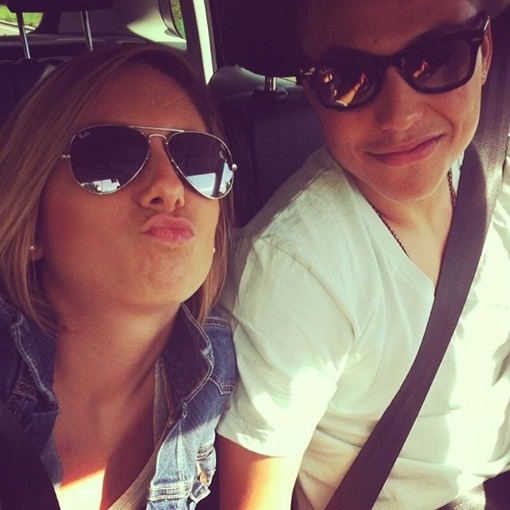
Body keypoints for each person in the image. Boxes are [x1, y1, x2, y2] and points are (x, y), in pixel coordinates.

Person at [216, 0, 510, 508]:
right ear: (311, 90)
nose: (400, 115)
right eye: (346, 77)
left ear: (483, 53)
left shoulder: (492, 173)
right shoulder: (296, 267)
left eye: (436, 60)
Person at [0, 43, 237, 510]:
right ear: (33, 221)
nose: (169, 187)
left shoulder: (235, 377)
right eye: (109, 158)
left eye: (197, 160)